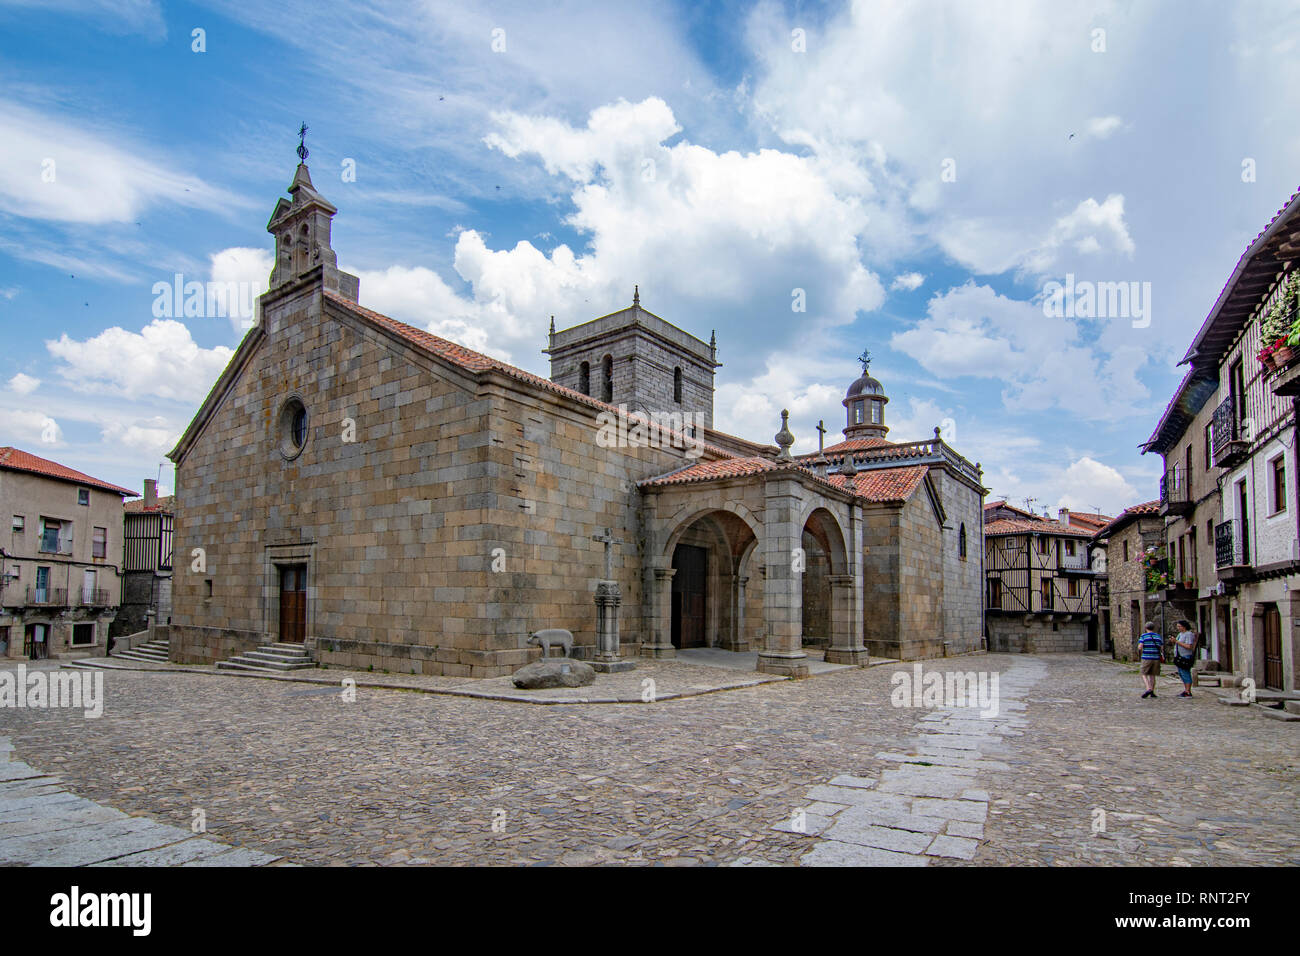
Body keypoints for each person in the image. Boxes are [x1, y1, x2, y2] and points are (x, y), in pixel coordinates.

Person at [1172, 620, 1198, 697]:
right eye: (1177, 626)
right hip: (1179, 655)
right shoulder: (1180, 634)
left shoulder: (1188, 634)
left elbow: (1189, 646)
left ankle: (1188, 691)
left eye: (1179, 626)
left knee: (1185, 673)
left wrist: (1176, 641)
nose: (1178, 628)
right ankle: (1186, 689)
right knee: (1181, 673)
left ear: (1184, 626)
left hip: (1185, 656)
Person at [1138, 622, 1164, 698]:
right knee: (1152, 675)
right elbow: (1161, 648)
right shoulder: (1158, 636)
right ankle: (1152, 691)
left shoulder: (1144, 636)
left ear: (1146, 628)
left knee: (1144, 674)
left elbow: (1140, 647)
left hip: (1146, 657)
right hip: (1156, 658)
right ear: (1153, 628)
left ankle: (1148, 688)